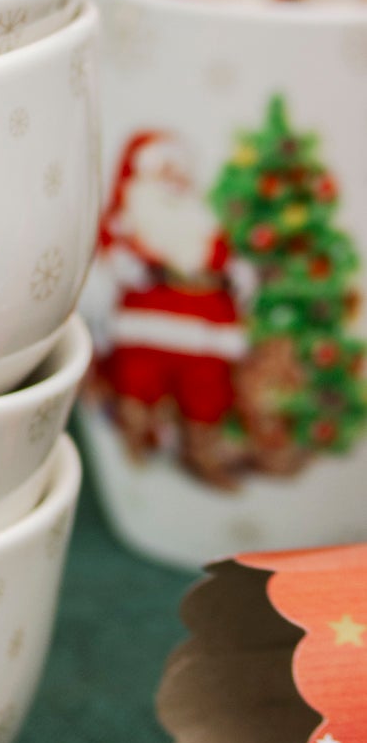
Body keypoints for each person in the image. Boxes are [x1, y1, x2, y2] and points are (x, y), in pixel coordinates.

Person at [84, 131, 253, 482]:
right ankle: (138, 450)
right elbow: (115, 265)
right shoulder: (130, 221)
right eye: (166, 170)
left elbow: (232, 267)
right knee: (137, 388)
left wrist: (235, 277)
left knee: (207, 396)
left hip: (207, 338)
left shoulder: (202, 224)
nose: (176, 180)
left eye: (180, 171)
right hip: (147, 330)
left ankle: (202, 452)